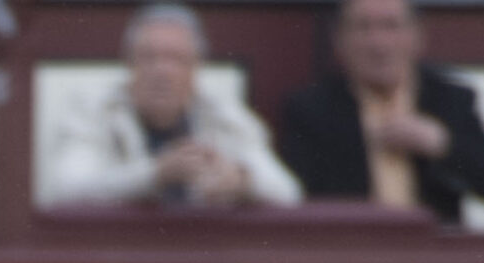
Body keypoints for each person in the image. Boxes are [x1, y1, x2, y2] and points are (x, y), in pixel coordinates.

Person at [277, 0, 484, 225]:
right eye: (363, 28)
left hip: (432, 257)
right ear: (339, 40)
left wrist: (441, 143)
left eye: (391, 27)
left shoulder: (449, 99)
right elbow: (293, 196)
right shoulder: (311, 109)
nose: (378, 43)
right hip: (350, 253)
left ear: (418, 36)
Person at [41, 3, 300, 210]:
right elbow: (66, 191)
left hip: (203, 260)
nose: (161, 71)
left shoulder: (223, 115)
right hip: (117, 258)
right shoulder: (93, 112)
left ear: (195, 68)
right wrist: (154, 175)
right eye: (149, 57)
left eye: (175, 59)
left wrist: (243, 182)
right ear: (130, 65)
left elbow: (288, 193)